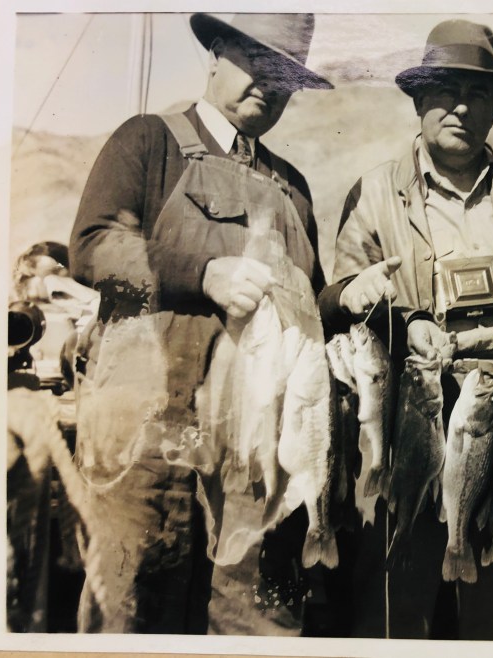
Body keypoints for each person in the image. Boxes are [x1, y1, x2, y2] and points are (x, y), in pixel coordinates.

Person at [315, 19, 493, 641]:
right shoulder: (375, 193)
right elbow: (346, 298)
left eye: (478, 93)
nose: (461, 107)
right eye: (445, 90)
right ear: (418, 100)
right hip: (410, 411)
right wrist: (398, 317)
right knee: (398, 599)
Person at [68, 13, 331, 634]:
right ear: (214, 54)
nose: (267, 83)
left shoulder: (293, 190)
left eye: (284, 74)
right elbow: (93, 246)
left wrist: (349, 298)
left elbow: (309, 316)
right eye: (254, 61)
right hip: (144, 444)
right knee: (129, 611)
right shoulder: (147, 141)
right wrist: (204, 272)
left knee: (255, 624)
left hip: (254, 458)